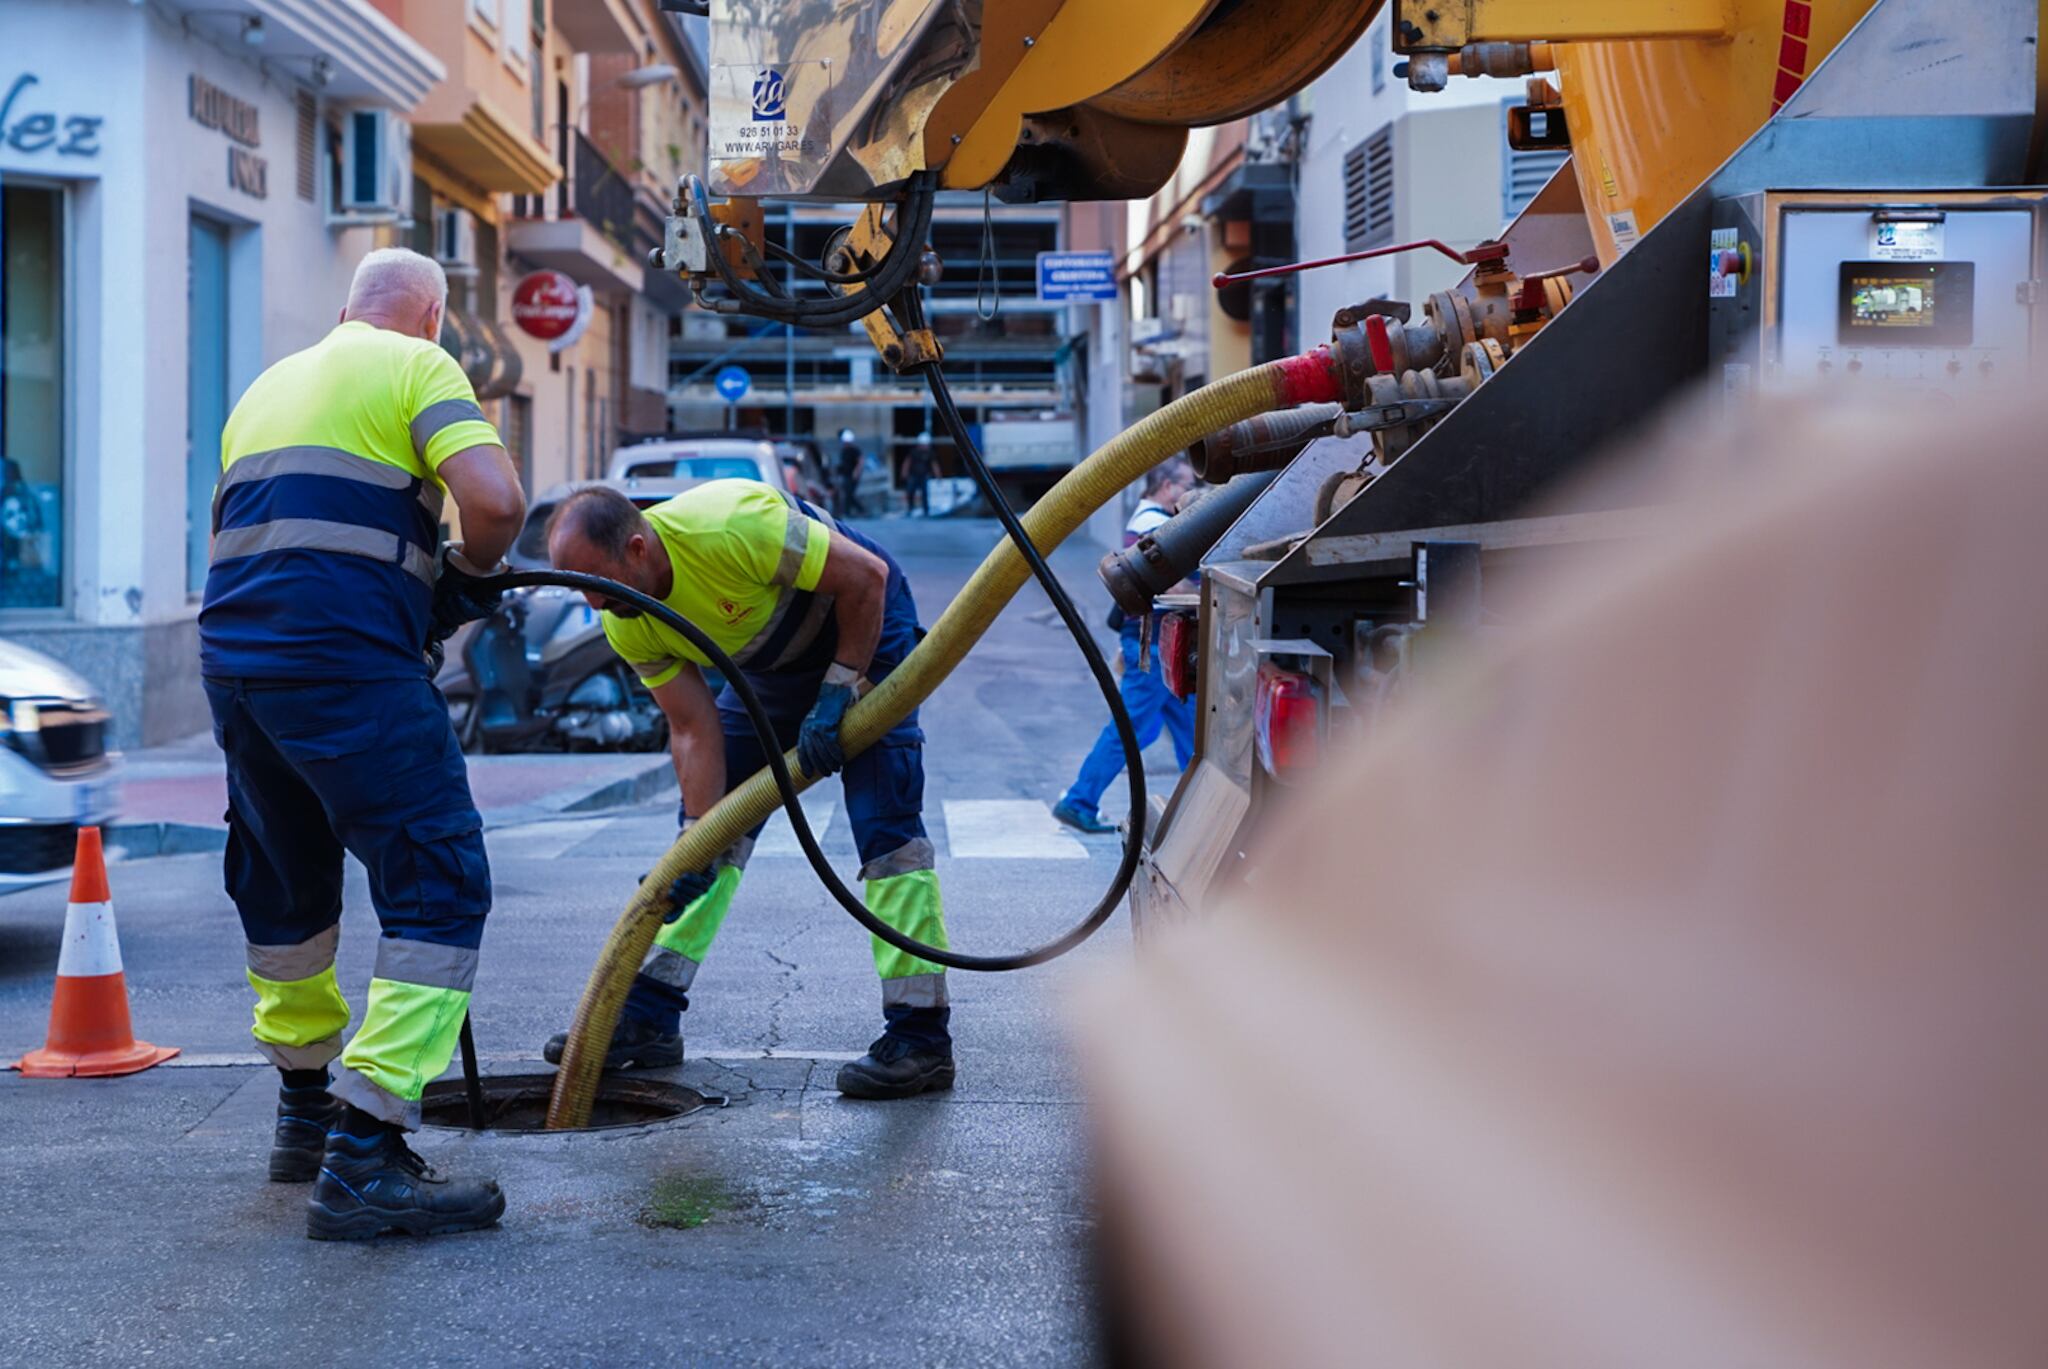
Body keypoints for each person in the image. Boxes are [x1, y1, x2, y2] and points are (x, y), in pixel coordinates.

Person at [199, 247, 527, 1240]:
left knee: (284, 882)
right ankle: (367, 1151)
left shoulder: (265, 387)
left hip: (235, 664)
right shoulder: (418, 366)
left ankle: (304, 1115)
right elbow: (498, 503)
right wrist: (465, 571)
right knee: (438, 878)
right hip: (345, 660)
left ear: (346, 308)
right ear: (429, 317)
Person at [539, 481, 957, 1099]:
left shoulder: (731, 525)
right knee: (712, 840)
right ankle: (649, 1017)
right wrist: (696, 836)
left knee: (886, 831)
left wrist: (840, 687)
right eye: (579, 591)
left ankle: (921, 1039)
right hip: (773, 670)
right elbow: (691, 728)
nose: (593, 605)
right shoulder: (629, 619)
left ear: (636, 547)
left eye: (597, 585)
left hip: (866, 631)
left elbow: (865, 576)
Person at [1052, 458, 1199, 835]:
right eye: (1186, 484)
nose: (1191, 493)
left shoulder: (1149, 522)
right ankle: (1079, 801)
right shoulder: (1154, 526)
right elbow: (1173, 587)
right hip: (1151, 647)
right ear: (1166, 487)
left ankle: (1200, 808)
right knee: (1130, 731)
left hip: (1162, 646)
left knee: (1193, 732)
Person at [903, 431, 935, 516]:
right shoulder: (914, 452)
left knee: (925, 493)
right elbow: (907, 462)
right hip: (913, 475)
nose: (926, 446)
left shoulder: (929, 453)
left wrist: (938, 475)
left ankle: (926, 510)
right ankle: (910, 508)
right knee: (910, 491)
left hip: (924, 476)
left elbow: (933, 464)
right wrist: (904, 472)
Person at [835, 427, 864, 517]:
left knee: (849, 494)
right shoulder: (844, 451)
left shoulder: (854, 450)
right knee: (847, 494)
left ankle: (861, 509)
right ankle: (848, 512)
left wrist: (856, 472)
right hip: (846, 475)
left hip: (852, 475)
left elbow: (860, 461)